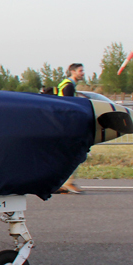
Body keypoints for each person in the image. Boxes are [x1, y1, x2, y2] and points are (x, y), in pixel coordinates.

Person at [57, 64, 85, 194]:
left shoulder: (66, 84)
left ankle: (62, 182)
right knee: (73, 153)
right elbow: (68, 106)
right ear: (73, 72)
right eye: (80, 71)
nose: (82, 73)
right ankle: (68, 182)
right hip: (66, 125)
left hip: (62, 123)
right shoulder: (68, 86)